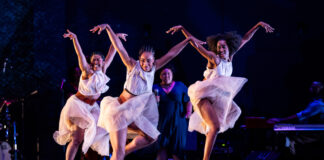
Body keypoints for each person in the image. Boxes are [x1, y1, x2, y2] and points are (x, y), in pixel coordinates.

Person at [167, 21, 274, 160]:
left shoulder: (230, 57)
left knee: (237, 111)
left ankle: (210, 128)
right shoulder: (214, 58)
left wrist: (258, 25)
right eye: (218, 47)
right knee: (215, 128)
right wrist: (183, 30)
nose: (221, 50)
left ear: (229, 47)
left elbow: (245, 38)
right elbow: (196, 45)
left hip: (218, 97)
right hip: (203, 95)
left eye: (223, 47)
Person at [90, 23, 195, 160]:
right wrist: (109, 29)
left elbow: (172, 53)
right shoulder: (132, 65)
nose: (146, 64)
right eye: (143, 61)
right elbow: (119, 47)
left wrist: (187, 39)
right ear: (139, 60)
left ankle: (127, 150)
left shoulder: (154, 67)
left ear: (153, 60)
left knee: (152, 136)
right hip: (120, 111)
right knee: (118, 152)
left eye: (149, 61)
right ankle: (120, 152)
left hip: (135, 114)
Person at [53, 29, 127, 160]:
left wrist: (116, 38)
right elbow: (79, 54)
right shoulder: (87, 71)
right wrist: (75, 38)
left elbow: (111, 52)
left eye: (99, 60)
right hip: (77, 106)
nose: (96, 62)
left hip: (92, 108)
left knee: (104, 129)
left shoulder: (103, 70)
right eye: (94, 60)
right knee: (76, 138)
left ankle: (88, 153)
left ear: (103, 62)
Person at [153, 66, 192, 160]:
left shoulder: (180, 85)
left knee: (178, 150)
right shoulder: (155, 87)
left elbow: (188, 100)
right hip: (161, 123)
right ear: (160, 76)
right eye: (163, 74)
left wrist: (188, 112)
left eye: (168, 73)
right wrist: (156, 102)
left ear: (172, 75)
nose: (166, 76)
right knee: (161, 148)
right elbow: (149, 106)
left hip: (178, 121)